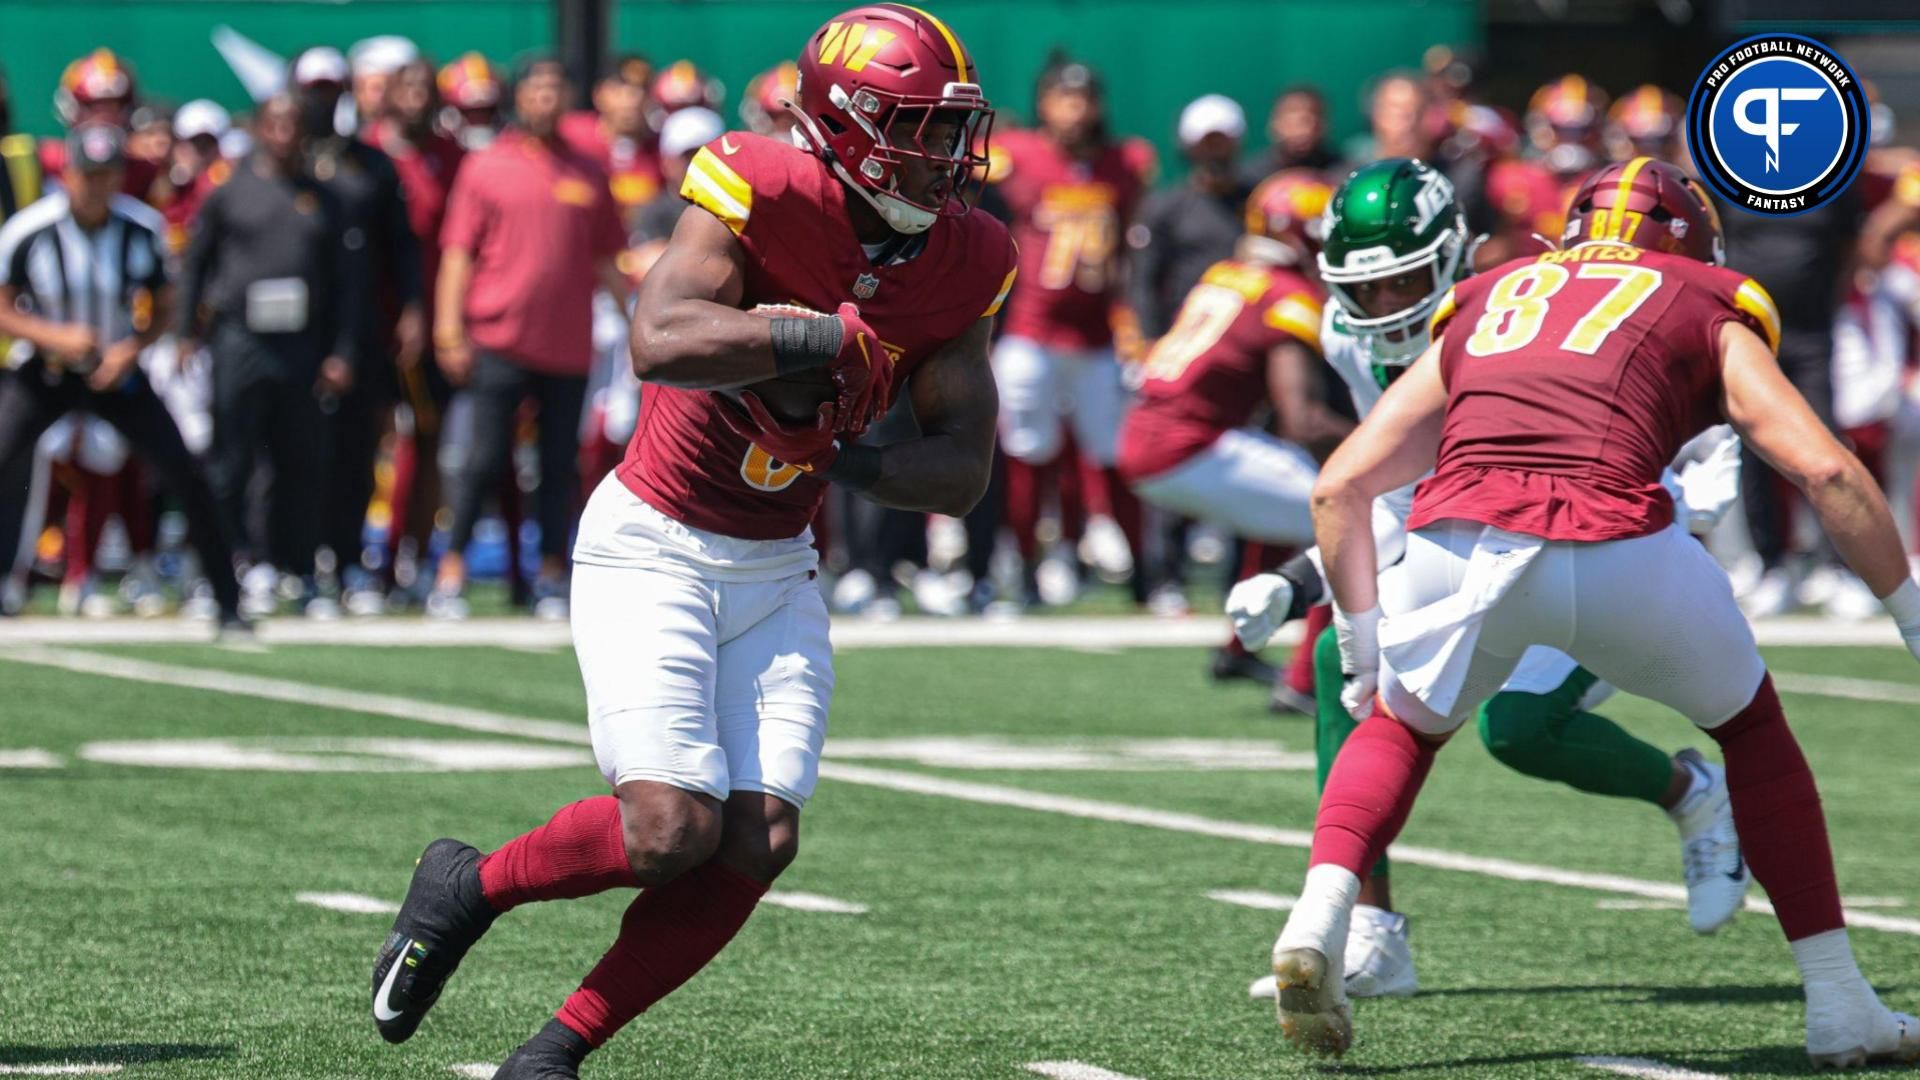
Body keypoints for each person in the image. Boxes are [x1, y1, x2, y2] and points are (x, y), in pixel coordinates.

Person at [366, 6, 1013, 1076]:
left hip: (777, 563)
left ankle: (558, 1048)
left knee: (759, 838)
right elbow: (659, 338)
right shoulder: (761, 181)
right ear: (849, 124)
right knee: (668, 829)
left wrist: (839, 456)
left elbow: (963, 469)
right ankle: (467, 887)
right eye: (922, 128)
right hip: (655, 541)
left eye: (955, 130)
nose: (949, 156)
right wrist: (815, 336)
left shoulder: (967, 255)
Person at [1264, 158, 1920, 1067]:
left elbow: (1340, 487)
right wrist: (1909, 614)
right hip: (1621, 542)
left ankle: (1319, 915)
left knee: (1399, 730)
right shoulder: (1702, 294)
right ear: (1688, 241)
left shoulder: (1486, 296)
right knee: (1755, 734)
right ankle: (1841, 999)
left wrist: (1360, 643)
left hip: (1462, 539)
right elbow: (1827, 469)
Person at [1230, 158, 1749, 1003]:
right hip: (1478, 540)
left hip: (1613, 536)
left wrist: (1694, 484)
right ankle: (1370, 931)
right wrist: (1299, 582)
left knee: (1520, 730)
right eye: (1365, 292)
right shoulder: (1347, 337)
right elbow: (1397, 496)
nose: (1384, 311)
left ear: (1453, 259)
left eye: (1403, 284)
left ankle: (1691, 789)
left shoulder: (1504, 312)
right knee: (1336, 664)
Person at [0, 123, 244, 631]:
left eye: (107, 174)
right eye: (88, 175)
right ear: (67, 174)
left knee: (184, 469)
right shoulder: (30, 230)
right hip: (46, 370)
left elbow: (168, 304)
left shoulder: (142, 228)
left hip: (117, 371)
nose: (97, 186)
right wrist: (54, 337)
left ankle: (227, 598)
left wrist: (130, 350)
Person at [1119, 170, 1348, 688]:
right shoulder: (1287, 295)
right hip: (1187, 445)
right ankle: (1306, 682)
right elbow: (1303, 419)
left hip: (1147, 430)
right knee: (1342, 514)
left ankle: (1240, 648)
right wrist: (1382, 445)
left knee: (1292, 498)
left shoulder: (1224, 272)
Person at [429, 57, 630, 619]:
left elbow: (608, 258)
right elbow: (457, 254)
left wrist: (638, 324)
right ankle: (451, 574)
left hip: (567, 346)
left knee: (558, 463)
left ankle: (548, 575)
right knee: (483, 460)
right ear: (520, 98)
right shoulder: (486, 166)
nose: (545, 98)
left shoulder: (590, 170)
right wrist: (448, 331)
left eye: (554, 88)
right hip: (497, 337)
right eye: (536, 89)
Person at [177, 94, 363, 612]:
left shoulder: (326, 198)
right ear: (259, 128)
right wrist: (185, 333)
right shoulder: (229, 192)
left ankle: (298, 571)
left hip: (302, 343)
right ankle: (219, 570)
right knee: (230, 460)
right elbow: (196, 265)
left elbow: (347, 285)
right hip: (241, 338)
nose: (284, 133)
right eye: (275, 123)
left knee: (301, 461)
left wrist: (341, 351)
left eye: (293, 124)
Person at [990, 59, 1153, 608]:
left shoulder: (1124, 162)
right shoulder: (1015, 154)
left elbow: (1133, 246)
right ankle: (1028, 564)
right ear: (1044, 102)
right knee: (1026, 451)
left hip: (1096, 336)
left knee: (1114, 453)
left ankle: (1143, 575)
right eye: (1064, 97)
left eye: (1083, 98)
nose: (1075, 109)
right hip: (1030, 330)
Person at [291, 47, 425, 615]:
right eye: (312, 91)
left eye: (330, 90)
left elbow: (402, 247)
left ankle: (344, 557)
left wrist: (414, 309)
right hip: (291, 330)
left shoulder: (371, 164)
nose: (323, 101)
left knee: (355, 447)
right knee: (290, 448)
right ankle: (288, 560)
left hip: (360, 327)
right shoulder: (276, 161)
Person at [366, 56, 468, 606]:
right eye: (403, 85)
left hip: (430, 320)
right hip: (366, 320)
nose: (413, 96)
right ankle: (351, 555)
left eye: (422, 87)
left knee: (424, 439)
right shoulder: (367, 154)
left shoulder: (451, 159)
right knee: (364, 438)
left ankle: (407, 555)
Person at [1128, 94, 1252, 340]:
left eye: (1222, 142)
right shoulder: (1164, 208)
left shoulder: (1258, 204)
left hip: (1247, 337)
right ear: (1189, 146)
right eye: (1206, 143)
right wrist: (1150, 340)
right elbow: (1143, 282)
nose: (1215, 152)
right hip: (1184, 338)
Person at [1239, 85, 1337, 186]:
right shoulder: (1247, 177)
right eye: (1293, 114)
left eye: (1315, 114)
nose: (1307, 125)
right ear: (1275, 123)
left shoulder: (1342, 174)